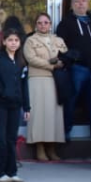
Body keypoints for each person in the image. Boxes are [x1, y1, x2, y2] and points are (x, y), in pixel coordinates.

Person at [0, 29, 30, 182]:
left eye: (16, 40)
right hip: (0, 105)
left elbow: (24, 85)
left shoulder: (21, 61)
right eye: (10, 40)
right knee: (0, 138)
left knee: (11, 139)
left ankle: (11, 171)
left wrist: (27, 107)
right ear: (4, 42)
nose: (13, 43)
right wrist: (1, 92)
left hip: (15, 105)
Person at [22, 13, 68, 162]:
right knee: (39, 115)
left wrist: (62, 62)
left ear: (50, 24)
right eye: (40, 23)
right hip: (37, 79)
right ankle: (40, 147)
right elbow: (31, 59)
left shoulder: (58, 40)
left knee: (53, 115)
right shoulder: (30, 40)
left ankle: (52, 147)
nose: (43, 25)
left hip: (56, 81)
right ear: (36, 25)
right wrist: (51, 65)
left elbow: (66, 55)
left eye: (46, 22)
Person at [57, 0, 91, 139]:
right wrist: (69, 61)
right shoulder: (66, 22)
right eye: (77, 1)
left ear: (88, 3)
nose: (81, 3)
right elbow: (60, 46)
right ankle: (66, 132)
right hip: (77, 68)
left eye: (83, 1)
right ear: (72, 4)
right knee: (72, 100)